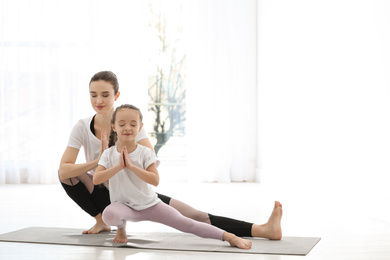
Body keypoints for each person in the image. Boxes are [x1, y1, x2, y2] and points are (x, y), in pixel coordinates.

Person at [58, 71, 282, 239]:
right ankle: (101, 221)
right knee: (66, 175)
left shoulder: (130, 124)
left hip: (137, 192)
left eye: (105, 95)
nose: (99, 100)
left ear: (116, 95)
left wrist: (122, 152)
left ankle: (262, 229)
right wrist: (99, 161)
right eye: (93, 95)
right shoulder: (82, 127)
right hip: (105, 193)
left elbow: (149, 162)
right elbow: (64, 169)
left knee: (194, 215)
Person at [93, 104, 252, 249]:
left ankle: (228, 236)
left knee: (186, 223)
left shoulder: (145, 152)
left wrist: (132, 167)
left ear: (140, 127)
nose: (127, 128)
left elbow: (155, 180)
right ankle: (121, 229)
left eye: (133, 124)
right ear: (114, 126)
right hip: (124, 207)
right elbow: (97, 179)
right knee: (109, 215)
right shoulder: (108, 154)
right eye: (122, 124)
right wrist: (119, 166)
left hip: (150, 205)